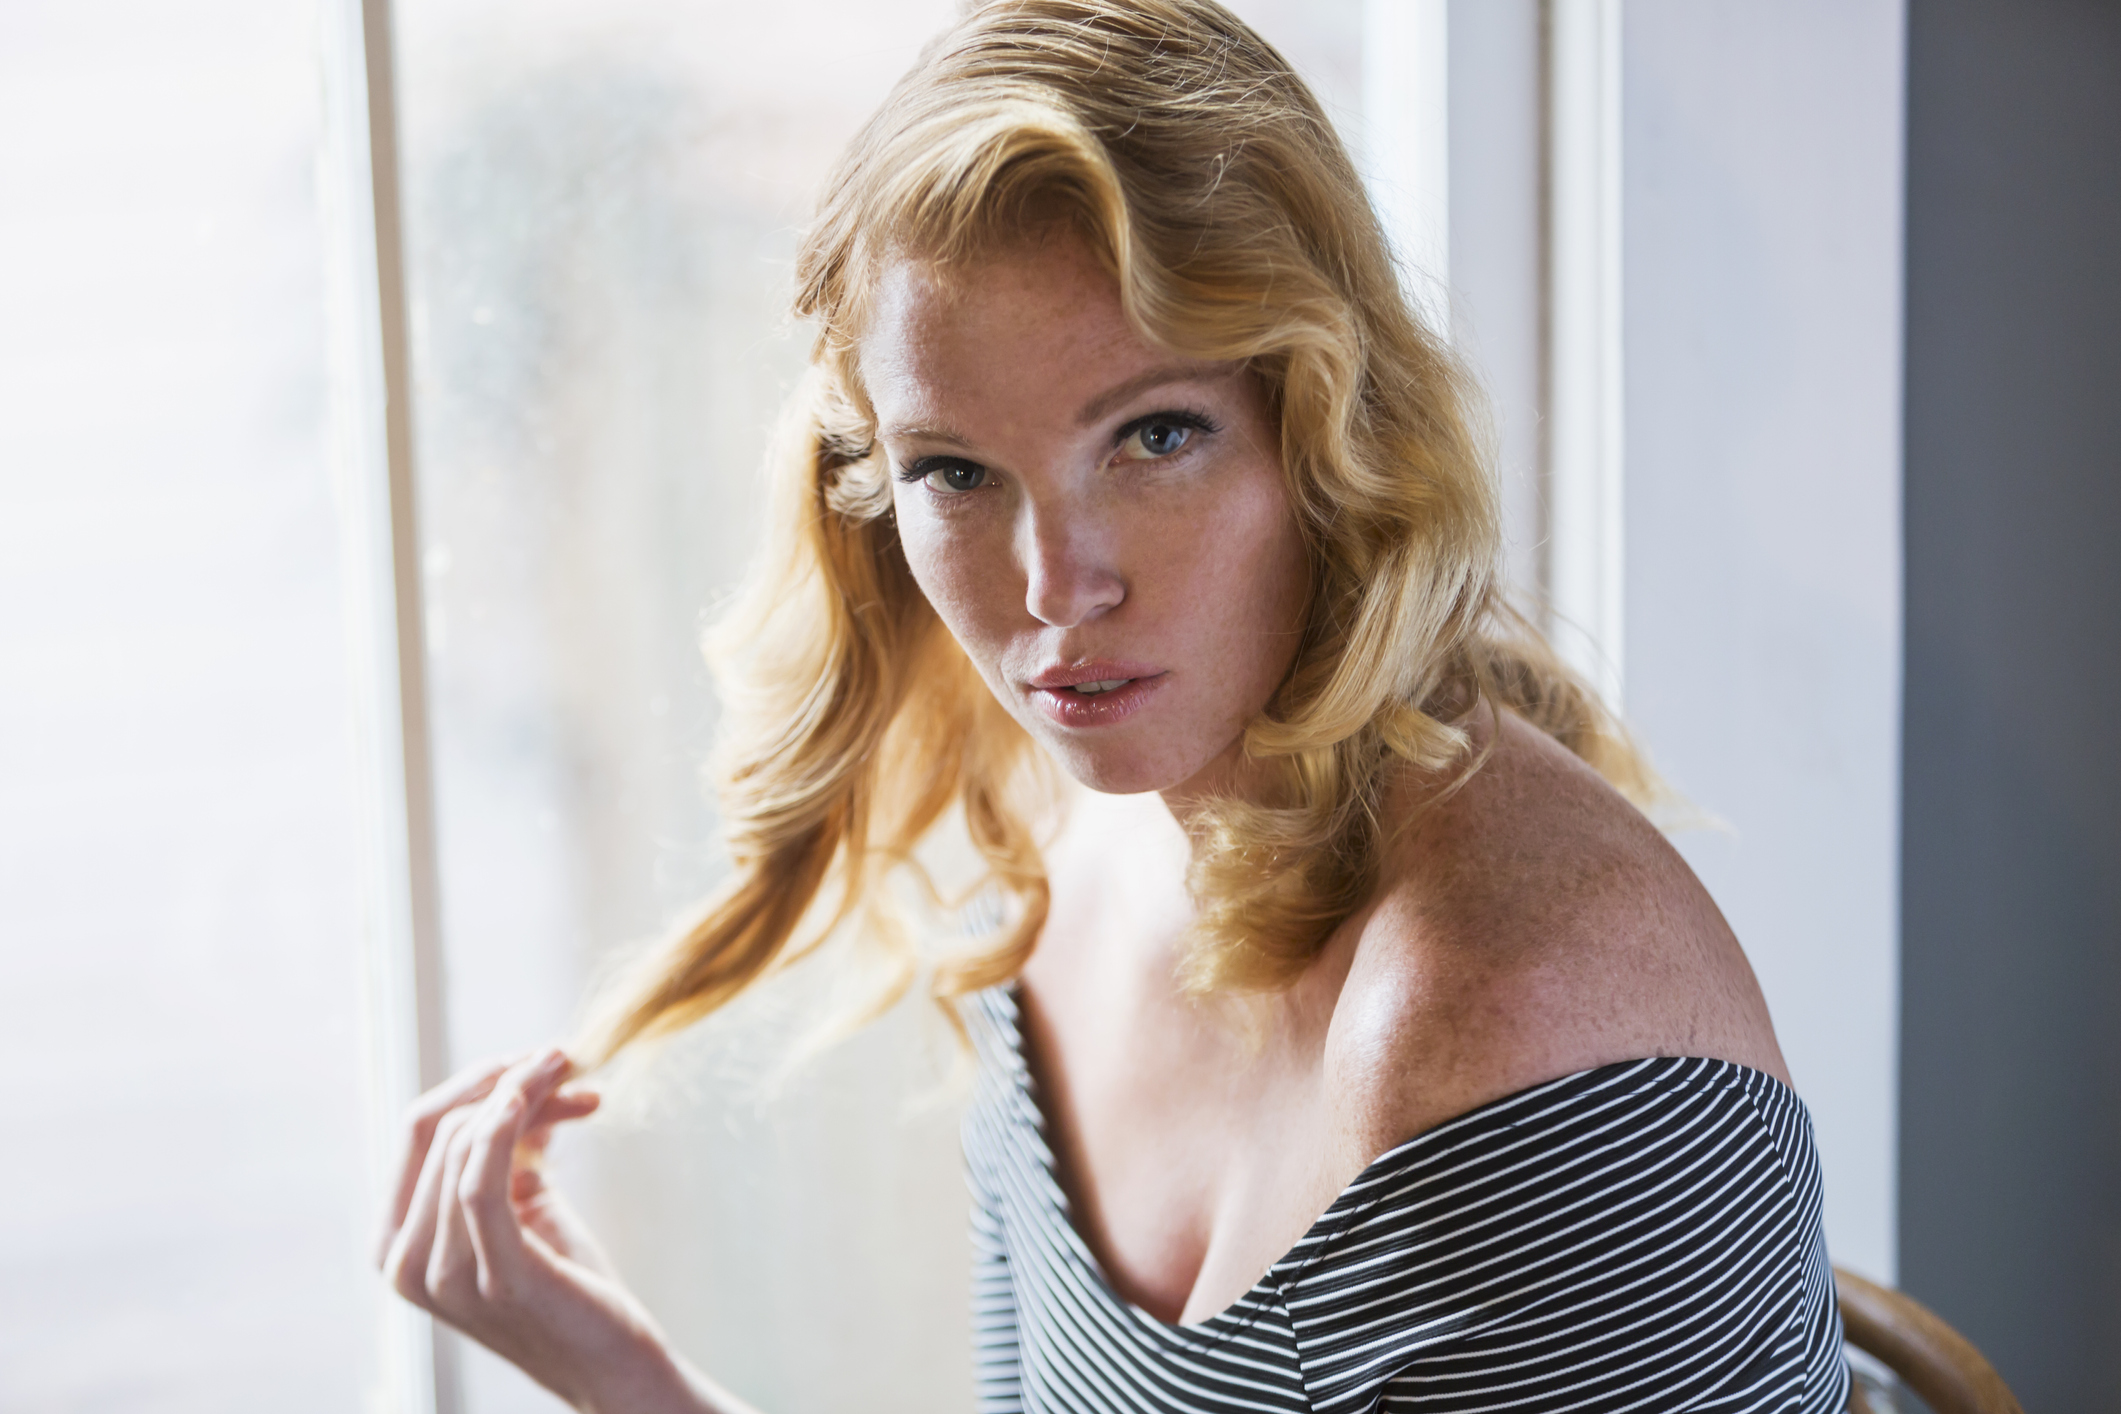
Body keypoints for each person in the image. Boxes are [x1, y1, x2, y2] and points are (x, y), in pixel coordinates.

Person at [375, 1, 1851, 1410]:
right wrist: (621, 1378)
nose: (1052, 587)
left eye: (1153, 435)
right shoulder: (1086, 861)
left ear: (1324, 426)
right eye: (954, 470)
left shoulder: (1517, 1036)